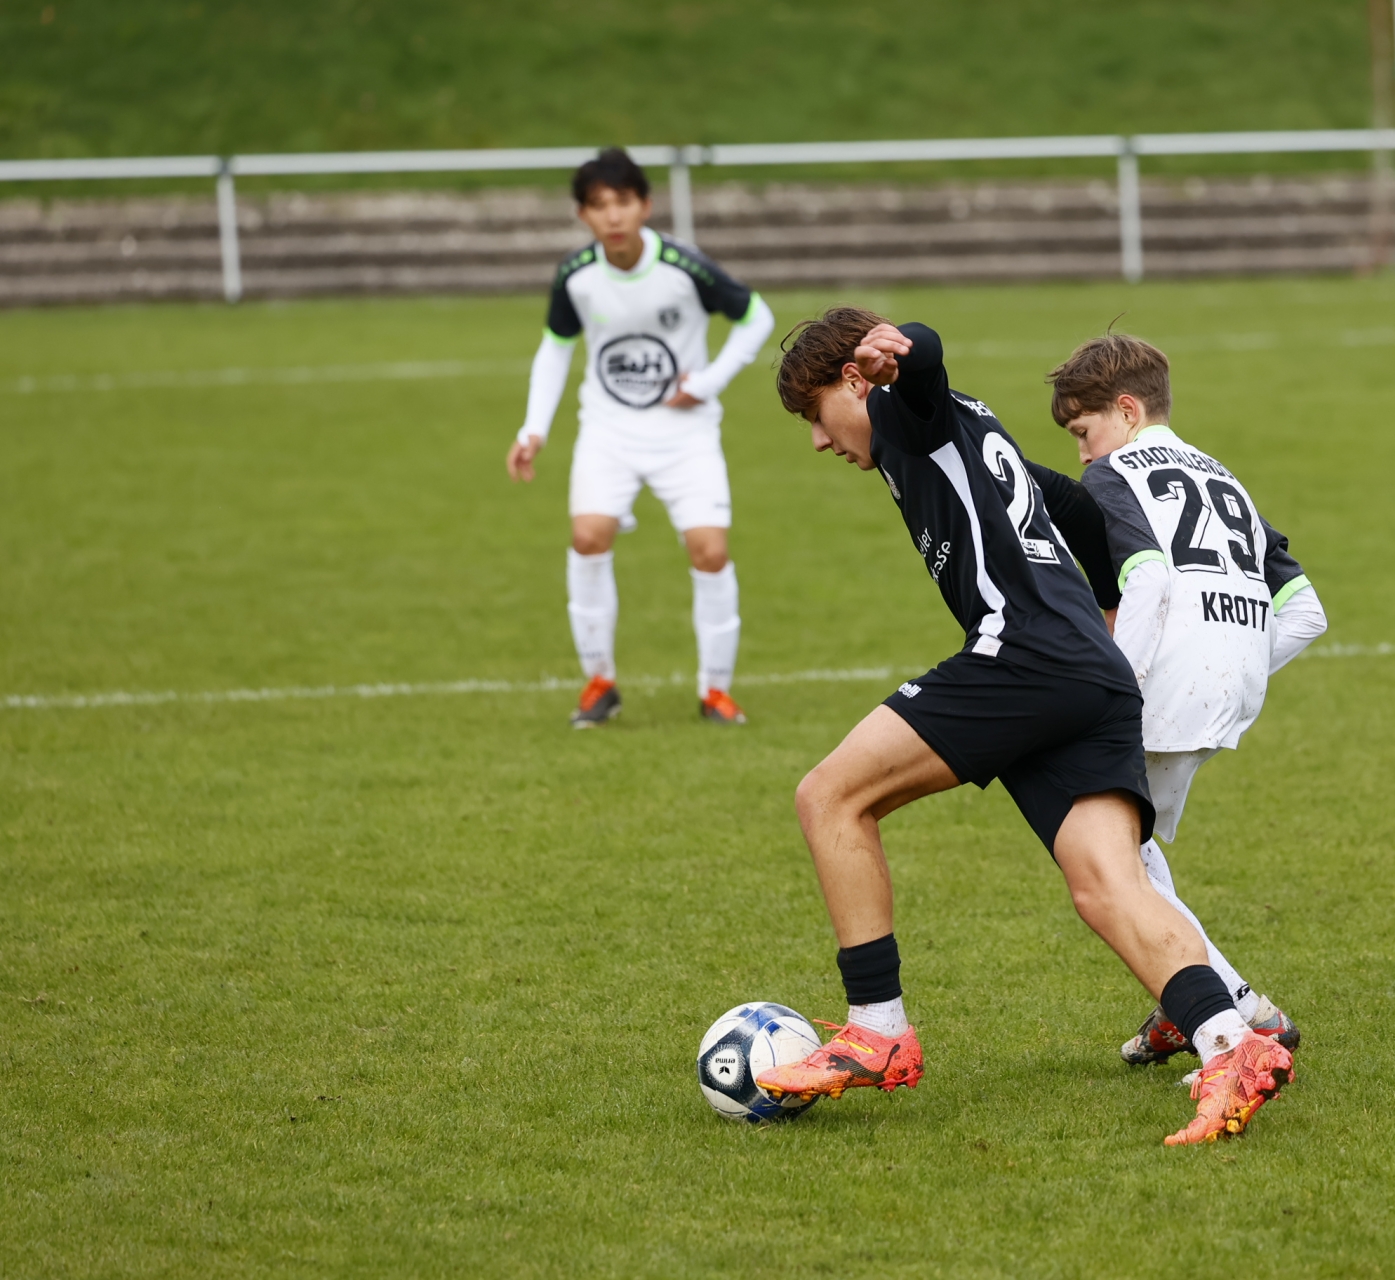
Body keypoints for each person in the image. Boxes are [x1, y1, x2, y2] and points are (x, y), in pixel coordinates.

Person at [756, 309, 1292, 1146]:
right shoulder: (965, 427)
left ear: (856, 382)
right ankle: (1233, 1046)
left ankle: (876, 1028)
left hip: (1024, 655)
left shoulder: (904, 411)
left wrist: (905, 347)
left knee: (830, 797)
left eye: (815, 415)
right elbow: (1075, 504)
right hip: (1090, 673)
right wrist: (1107, 609)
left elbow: (925, 361)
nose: (819, 440)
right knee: (1108, 885)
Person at [1046, 332, 1329, 1074]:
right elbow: (1306, 613)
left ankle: (1240, 1009)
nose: (1083, 454)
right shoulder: (1224, 477)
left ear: (1127, 411)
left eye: (1083, 431)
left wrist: (1119, 689)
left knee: (1114, 867)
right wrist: (1234, 662)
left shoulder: (1115, 476)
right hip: (1226, 693)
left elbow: (1148, 581)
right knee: (1132, 854)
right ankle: (1188, 1006)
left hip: (1159, 693)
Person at [506, 147, 775, 728]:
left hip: (686, 436)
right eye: (599, 205)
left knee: (710, 552)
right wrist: (533, 429)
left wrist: (708, 382)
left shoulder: (684, 266)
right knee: (587, 538)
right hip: (608, 432)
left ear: (646, 205)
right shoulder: (576, 276)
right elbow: (556, 347)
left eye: (624, 201)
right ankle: (599, 682)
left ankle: (716, 691)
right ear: (582, 214)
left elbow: (756, 316)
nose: (613, 215)